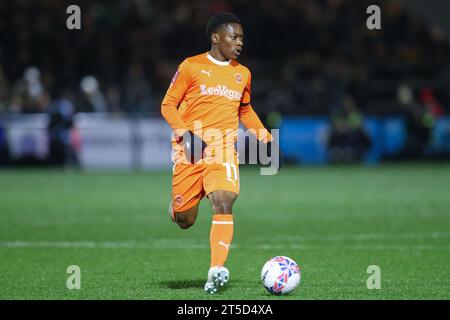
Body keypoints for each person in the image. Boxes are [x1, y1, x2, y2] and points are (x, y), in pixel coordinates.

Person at [160, 12, 277, 294]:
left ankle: (216, 269)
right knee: (185, 220)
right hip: (190, 149)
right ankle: (177, 209)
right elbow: (168, 105)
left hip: (223, 149)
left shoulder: (243, 73)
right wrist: (185, 133)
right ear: (216, 38)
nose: (239, 43)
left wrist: (267, 140)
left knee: (224, 201)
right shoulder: (191, 66)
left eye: (242, 38)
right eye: (233, 37)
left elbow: (245, 110)